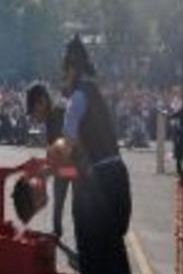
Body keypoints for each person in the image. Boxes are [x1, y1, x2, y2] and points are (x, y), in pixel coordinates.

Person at [48, 35, 132, 273]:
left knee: (93, 259)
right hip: (118, 179)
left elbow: (66, 151)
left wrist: (49, 169)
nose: (62, 77)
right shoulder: (96, 93)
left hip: (97, 186)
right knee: (115, 255)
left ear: (72, 69)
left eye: (64, 71)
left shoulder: (76, 100)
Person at [26, 82, 70, 237]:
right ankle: (57, 230)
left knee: (80, 206)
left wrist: (48, 171)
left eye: (33, 111)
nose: (33, 116)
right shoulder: (52, 117)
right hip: (68, 169)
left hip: (78, 169)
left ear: (42, 102)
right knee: (59, 193)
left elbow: (65, 151)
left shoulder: (58, 115)